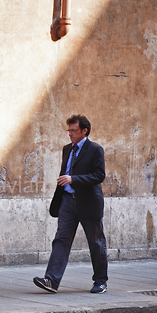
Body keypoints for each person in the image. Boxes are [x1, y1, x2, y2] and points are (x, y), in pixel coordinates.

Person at [33, 114, 108, 294]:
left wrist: (73, 179)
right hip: (67, 202)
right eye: (69, 131)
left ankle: (101, 281)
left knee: (96, 242)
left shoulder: (95, 150)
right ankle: (51, 280)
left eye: (73, 131)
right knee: (61, 240)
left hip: (88, 203)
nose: (70, 134)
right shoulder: (67, 149)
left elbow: (99, 176)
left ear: (84, 131)